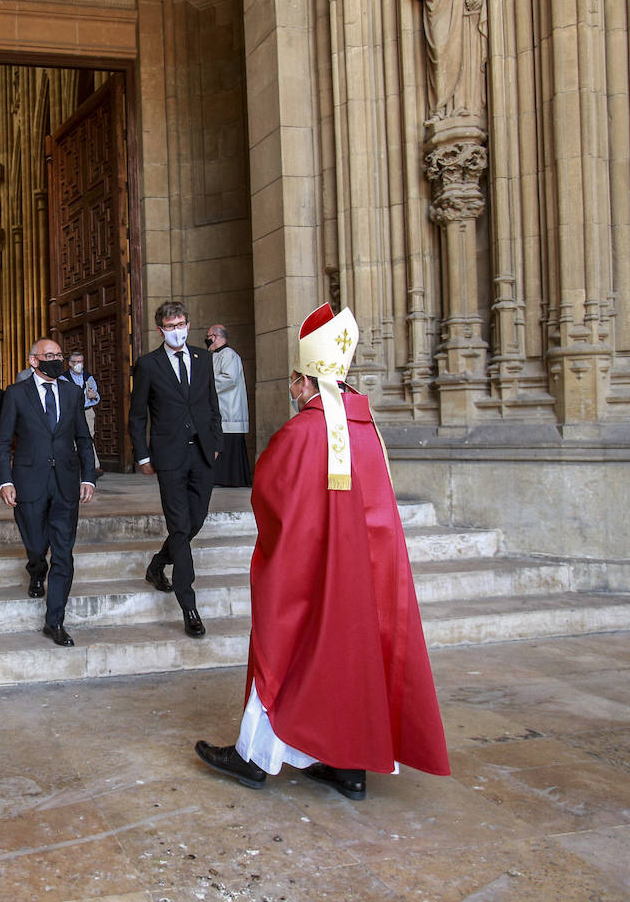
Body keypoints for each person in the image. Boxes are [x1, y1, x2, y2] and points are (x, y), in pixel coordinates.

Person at [194, 303, 450, 800]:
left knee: (289, 647)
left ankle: (253, 757)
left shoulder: (303, 429)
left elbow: (269, 491)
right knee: (352, 656)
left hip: (312, 568)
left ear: (304, 381)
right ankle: (348, 765)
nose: (292, 391)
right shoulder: (365, 426)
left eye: (293, 382)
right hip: (364, 572)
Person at [128, 300, 221, 637]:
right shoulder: (148, 365)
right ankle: (189, 605)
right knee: (180, 527)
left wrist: (217, 441)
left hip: (202, 455)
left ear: (188, 324)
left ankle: (157, 564)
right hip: (168, 458)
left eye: (181, 324)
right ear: (160, 330)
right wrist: (142, 455)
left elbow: (212, 403)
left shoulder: (203, 358)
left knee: (195, 521)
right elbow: (138, 415)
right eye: (170, 326)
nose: (177, 330)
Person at [0, 339, 97, 646]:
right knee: (37, 544)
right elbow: (1, 442)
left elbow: (83, 437)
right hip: (29, 481)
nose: (56, 360)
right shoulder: (15, 394)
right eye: (49, 356)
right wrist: (5, 481)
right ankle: (36, 568)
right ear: (33, 361)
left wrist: (88, 478)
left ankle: (55, 621)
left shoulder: (72, 392)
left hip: (66, 482)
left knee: (63, 553)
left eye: (59, 356)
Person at [205, 324, 252, 487]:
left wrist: (207, 386)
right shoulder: (214, 355)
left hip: (229, 409)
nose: (207, 340)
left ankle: (231, 479)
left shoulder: (229, 355)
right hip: (220, 409)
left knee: (228, 446)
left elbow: (229, 379)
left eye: (208, 337)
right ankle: (221, 478)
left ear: (215, 337)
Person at [60, 350, 102, 474]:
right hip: (71, 413)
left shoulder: (88, 377)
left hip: (87, 412)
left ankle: (94, 467)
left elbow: (95, 395)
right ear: (70, 363)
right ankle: (73, 466)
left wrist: (94, 395)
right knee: (72, 439)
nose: (78, 364)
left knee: (88, 438)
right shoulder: (63, 378)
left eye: (80, 362)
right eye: (75, 362)